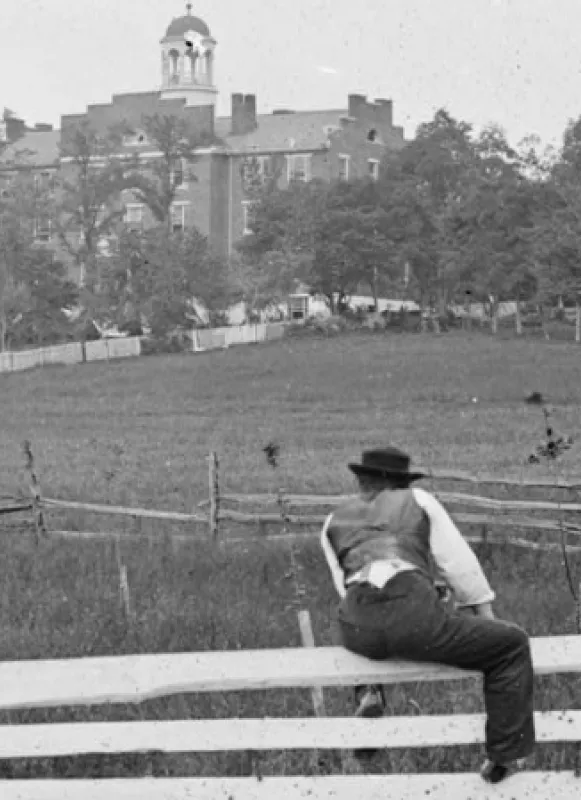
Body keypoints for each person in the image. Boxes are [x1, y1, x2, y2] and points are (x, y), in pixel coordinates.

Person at [320, 447, 535, 784]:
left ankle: (368, 691)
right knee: (511, 646)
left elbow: (345, 588)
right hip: (413, 612)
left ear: (363, 480)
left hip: (358, 619)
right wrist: (483, 611)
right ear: (399, 482)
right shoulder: (417, 501)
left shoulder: (333, 520)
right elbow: (457, 563)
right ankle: (504, 756)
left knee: (360, 627)